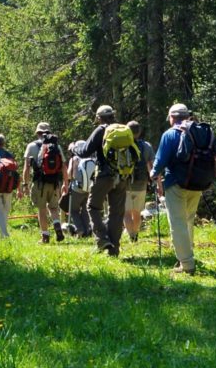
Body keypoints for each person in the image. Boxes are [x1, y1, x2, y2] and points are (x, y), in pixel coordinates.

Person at [150, 104, 210, 275]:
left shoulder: (170, 134)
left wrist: (153, 174)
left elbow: (161, 160)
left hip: (176, 183)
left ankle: (187, 264)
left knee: (177, 222)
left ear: (171, 117)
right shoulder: (200, 131)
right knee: (189, 219)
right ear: (187, 116)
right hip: (197, 183)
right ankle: (188, 256)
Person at [72, 105, 127, 256]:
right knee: (116, 212)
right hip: (123, 175)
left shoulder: (101, 130)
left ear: (99, 117)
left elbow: (84, 152)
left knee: (93, 207)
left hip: (105, 175)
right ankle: (114, 248)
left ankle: (102, 239)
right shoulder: (122, 129)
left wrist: (73, 148)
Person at [20, 122, 65, 243]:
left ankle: (45, 236)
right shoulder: (56, 146)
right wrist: (65, 183)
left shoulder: (31, 146)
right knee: (54, 208)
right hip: (54, 182)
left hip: (39, 183)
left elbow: (27, 167)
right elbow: (63, 167)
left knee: (42, 209)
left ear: (37, 133)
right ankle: (57, 225)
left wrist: (25, 184)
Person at [123, 120, 154, 242]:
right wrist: (155, 181)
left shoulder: (122, 145)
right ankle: (135, 234)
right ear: (139, 132)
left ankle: (131, 236)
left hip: (125, 183)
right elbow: (151, 165)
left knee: (126, 212)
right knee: (137, 212)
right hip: (141, 183)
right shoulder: (146, 146)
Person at [62, 140, 96, 237]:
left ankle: (80, 230)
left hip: (77, 189)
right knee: (85, 209)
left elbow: (69, 175)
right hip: (89, 189)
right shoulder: (92, 158)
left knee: (73, 210)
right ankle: (88, 230)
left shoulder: (75, 158)